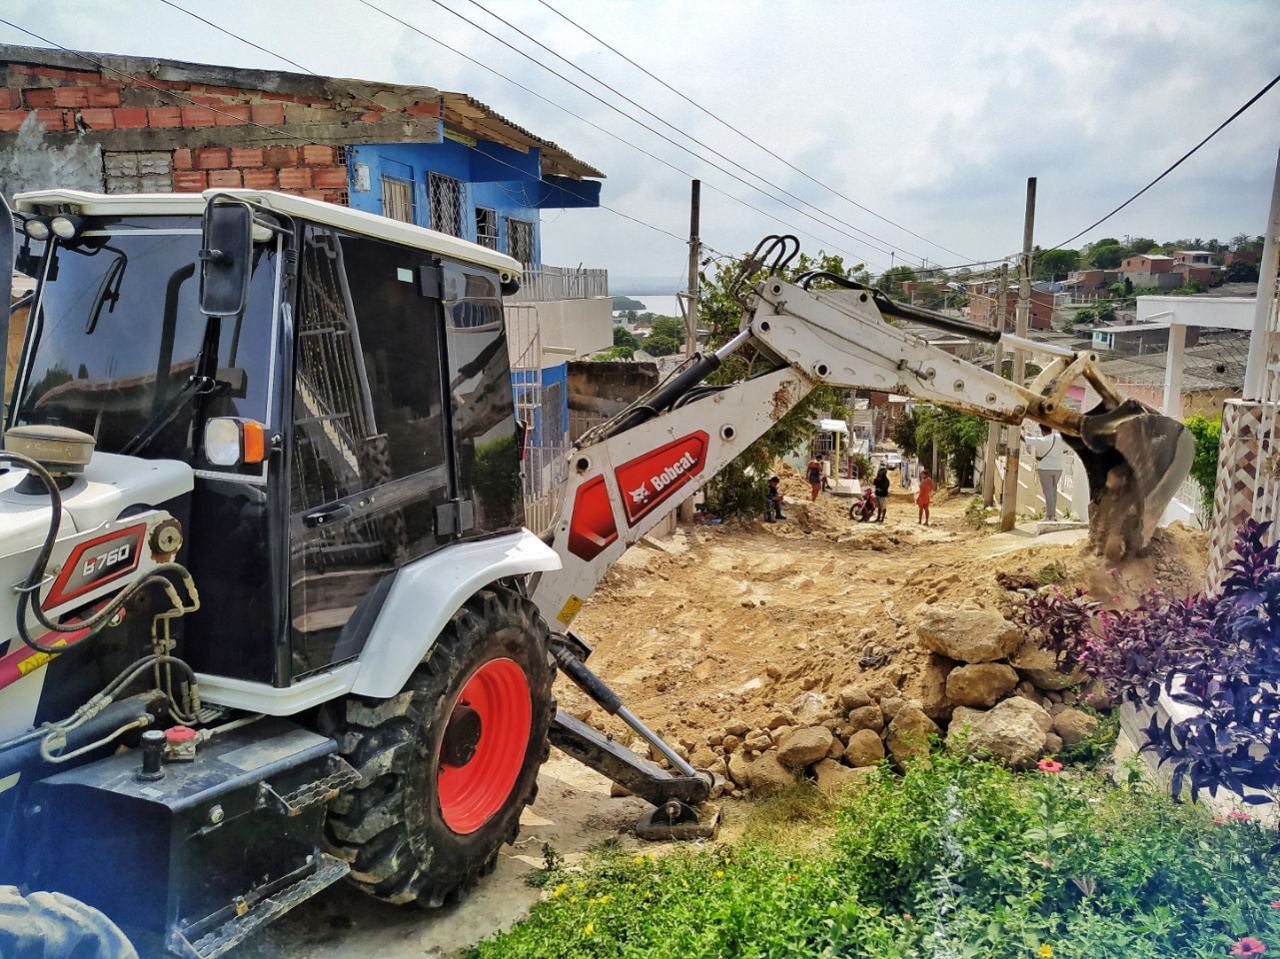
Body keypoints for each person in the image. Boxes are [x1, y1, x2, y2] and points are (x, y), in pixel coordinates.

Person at [1023, 423, 1064, 521]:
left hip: (1045, 468)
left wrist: (1021, 429)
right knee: (1053, 491)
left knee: (1048, 492)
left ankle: (1050, 516)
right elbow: (1066, 449)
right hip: (1058, 468)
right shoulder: (1059, 438)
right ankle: (1052, 515)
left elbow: (1024, 439)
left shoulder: (1042, 440)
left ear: (1042, 431)